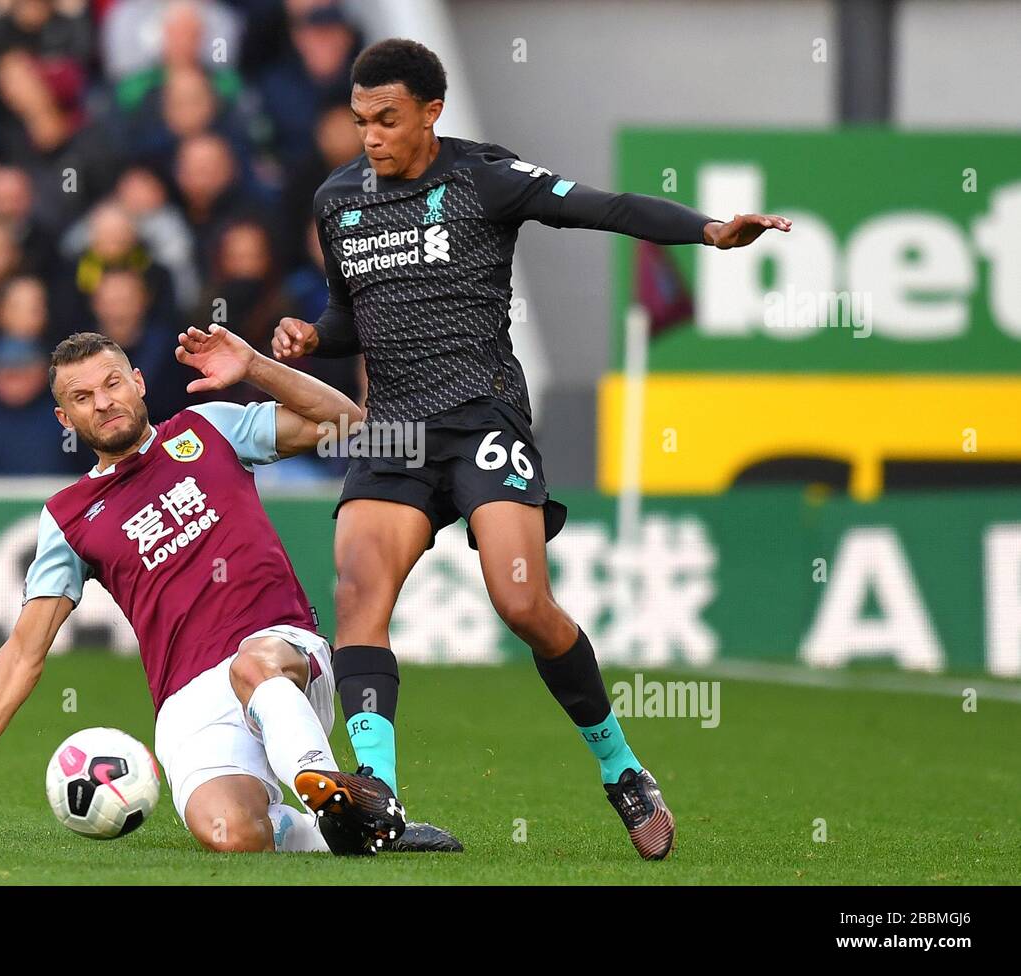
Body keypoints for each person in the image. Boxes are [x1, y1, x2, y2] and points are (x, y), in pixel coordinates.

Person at [273, 38, 792, 860]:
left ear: (432, 113)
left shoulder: (485, 178)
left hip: (481, 418)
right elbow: (350, 314)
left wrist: (710, 232)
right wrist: (311, 335)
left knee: (524, 607)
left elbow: (606, 208)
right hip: (397, 428)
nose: (370, 136)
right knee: (358, 596)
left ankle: (620, 767)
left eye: (388, 119)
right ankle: (379, 797)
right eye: (360, 120)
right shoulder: (338, 199)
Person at [0, 327, 406, 855]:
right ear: (65, 420)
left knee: (254, 663)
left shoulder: (208, 428)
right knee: (233, 833)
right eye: (82, 398)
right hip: (187, 700)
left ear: (138, 383)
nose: (104, 403)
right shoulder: (68, 518)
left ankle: (338, 792)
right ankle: (344, 835)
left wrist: (253, 366)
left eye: (112, 384)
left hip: (279, 654)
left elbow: (342, 419)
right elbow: (24, 652)